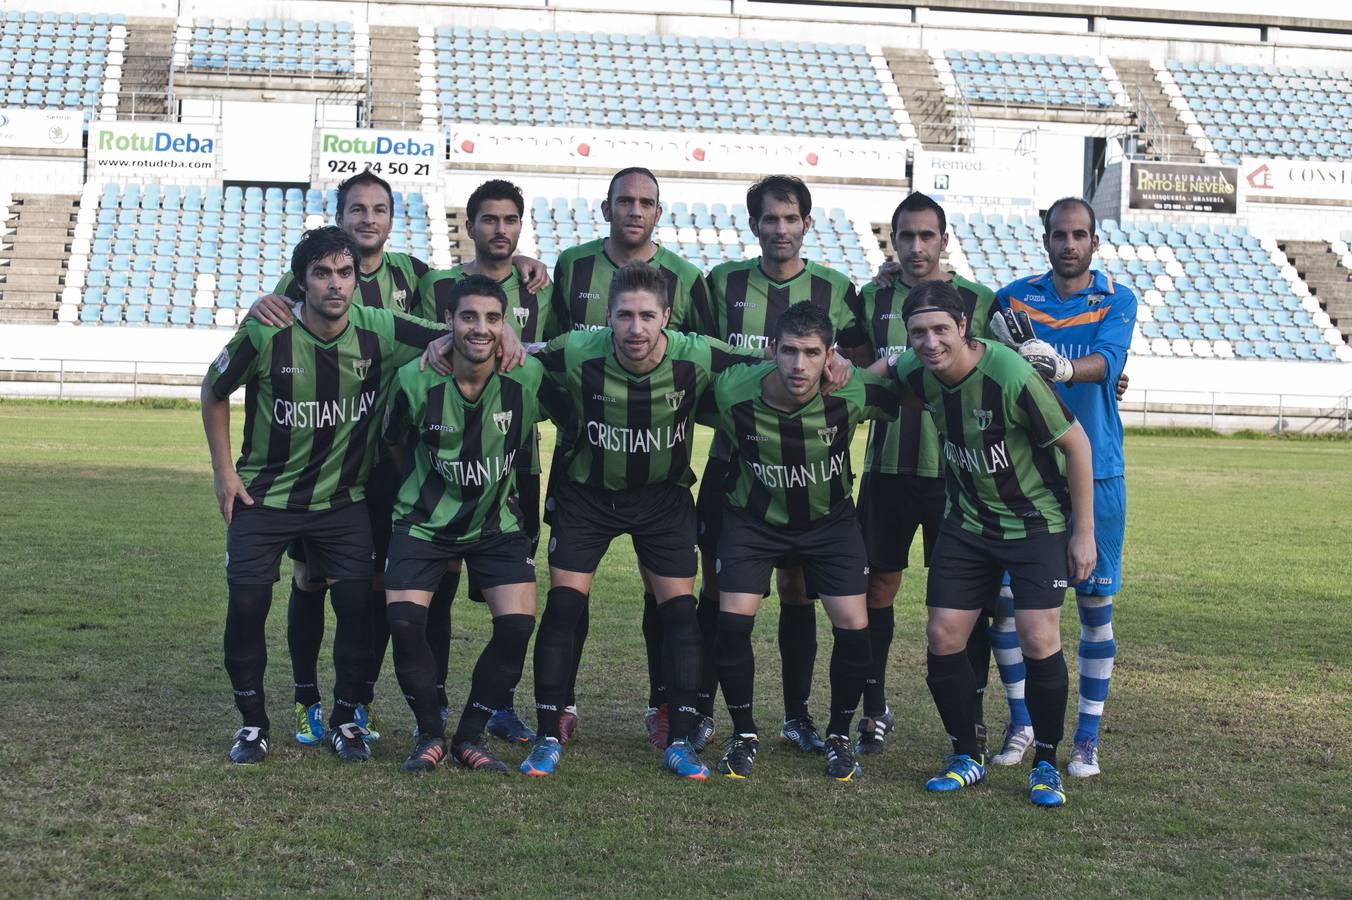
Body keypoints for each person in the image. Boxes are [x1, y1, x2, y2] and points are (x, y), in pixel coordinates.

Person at [245, 171, 544, 747]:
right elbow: (280, 318)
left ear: (390, 218)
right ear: (339, 215)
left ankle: (409, 705)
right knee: (314, 579)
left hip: (412, 457)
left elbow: (474, 293)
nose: (367, 219)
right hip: (338, 458)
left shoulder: (414, 275)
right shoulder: (307, 272)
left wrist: (521, 267)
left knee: (421, 581)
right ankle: (314, 700)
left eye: (379, 209)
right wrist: (263, 303)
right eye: (356, 209)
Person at [201, 226, 447, 764]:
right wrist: (224, 472)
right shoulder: (268, 331)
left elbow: (451, 331)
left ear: (356, 278)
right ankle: (253, 724)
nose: (335, 284)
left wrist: (507, 336)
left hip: (342, 501)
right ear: (301, 281)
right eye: (322, 274)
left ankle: (345, 719)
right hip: (263, 498)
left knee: (359, 607)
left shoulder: (379, 328)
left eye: (344, 273)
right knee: (246, 605)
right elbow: (214, 388)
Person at [516, 263, 766, 780]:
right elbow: (522, 355)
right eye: (624, 316)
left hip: (662, 500)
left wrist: (830, 363)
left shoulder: (695, 353)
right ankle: (546, 733)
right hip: (587, 495)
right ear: (608, 318)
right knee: (563, 607)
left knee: (679, 615)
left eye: (647, 316)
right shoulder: (580, 349)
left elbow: (763, 362)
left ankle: (679, 740)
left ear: (666, 318)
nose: (636, 328)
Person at [870, 279, 1095, 807]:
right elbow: (884, 370)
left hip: (1033, 523)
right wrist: (845, 372)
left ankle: (1045, 762)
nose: (930, 343)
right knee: (944, 634)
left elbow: (1077, 444)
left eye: (940, 330)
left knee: (1039, 638)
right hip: (968, 523)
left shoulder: (1010, 375)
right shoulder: (919, 368)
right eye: (919, 333)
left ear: (963, 328)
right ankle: (965, 754)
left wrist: (1083, 533)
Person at [693, 175, 868, 757]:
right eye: (770, 219)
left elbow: (865, 357)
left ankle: (798, 716)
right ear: (754, 224)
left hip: (813, 475)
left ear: (807, 224)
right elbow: (696, 355)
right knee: (720, 594)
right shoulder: (722, 283)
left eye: (791, 219)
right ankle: (703, 712)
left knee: (798, 591)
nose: (781, 229)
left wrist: (844, 361)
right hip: (735, 468)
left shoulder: (838, 288)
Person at [547, 167, 714, 744]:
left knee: (664, 600)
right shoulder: (571, 265)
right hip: (583, 466)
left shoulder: (689, 279)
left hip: (661, 477)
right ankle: (559, 703)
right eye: (625, 201)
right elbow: (541, 350)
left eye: (646, 202)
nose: (634, 211)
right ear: (606, 207)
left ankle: (663, 704)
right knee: (570, 598)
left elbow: (711, 365)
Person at [708, 301, 899, 782]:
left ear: (829, 355)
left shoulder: (850, 389)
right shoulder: (733, 389)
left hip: (829, 523)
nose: (799, 365)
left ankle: (838, 735)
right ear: (771, 350)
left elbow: (916, 386)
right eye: (789, 351)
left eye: (812, 353)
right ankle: (744, 733)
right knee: (731, 624)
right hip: (752, 520)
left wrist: (887, 361)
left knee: (855, 630)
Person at [987, 197, 1137, 778]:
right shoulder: (1011, 299)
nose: (1068, 244)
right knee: (1006, 610)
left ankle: (1087, 738)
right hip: (1027, 477)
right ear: (1044, 238)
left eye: (1079, 234)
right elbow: (966, 339)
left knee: (1095, 608)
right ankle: (1022, 721)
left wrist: (1066, 369)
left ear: (1094, 242)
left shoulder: (1116, 299)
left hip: (1097, 471)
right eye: (1059, 234)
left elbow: (1108, 360)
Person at [412, 179, 563, 746]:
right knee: (443, 581)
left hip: (516, 458)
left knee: (514, 588)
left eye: (510, 220)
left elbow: (557, 350)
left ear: (520, 226)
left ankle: (498, 705)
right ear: (468, 225)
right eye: (489, 220)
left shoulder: (539, 287)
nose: (500, 229)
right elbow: (423, 342)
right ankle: (440, 697)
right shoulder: (436, 284)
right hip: (446, 459)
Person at [381, 275, 546, 773]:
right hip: (423, 523)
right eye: (468, 317)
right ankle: (430, 732)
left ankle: (471, 735)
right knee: (405, 623)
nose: (480, 328)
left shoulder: (527, 377)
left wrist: (531, 523)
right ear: (448, 321)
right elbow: (392, 444)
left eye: (492, 318)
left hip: (497, 523)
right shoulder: (415, 379)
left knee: (516, 626)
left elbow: (529, 453)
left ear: (506, 324)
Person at [853, 192, 996, 758]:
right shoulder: (872, 297)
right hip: (887, 469)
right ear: (892, 239)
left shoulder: (979, 300)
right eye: (904, 236)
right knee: (876, 588)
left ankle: (973, 714)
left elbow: (1015, 365)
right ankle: (874, 708)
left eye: (926, 236)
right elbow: (855, 372)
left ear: (944, 238)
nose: (915, 247)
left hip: (958, 474)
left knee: (967, 598)